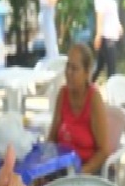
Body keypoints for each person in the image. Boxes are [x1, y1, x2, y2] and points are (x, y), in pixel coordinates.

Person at [46, 43, 110, 175]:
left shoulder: (94, 99)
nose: (68, 72)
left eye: (74, 68)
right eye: (67, 66)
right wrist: (44, 164)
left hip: (88, 169)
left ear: (87, 73)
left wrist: (79, 174)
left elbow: (104, 151)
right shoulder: (63, 94)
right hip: (63, 166)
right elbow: (52, 137)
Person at [92, 0, 123, 83]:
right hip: (107, 37)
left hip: (110, 36)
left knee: (99, 67)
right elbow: (100, 15)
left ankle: (86, 87)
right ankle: (111, 93)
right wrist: (98, 35)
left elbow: (111, 14)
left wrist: (118, 25)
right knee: (111, 71)